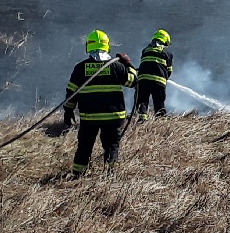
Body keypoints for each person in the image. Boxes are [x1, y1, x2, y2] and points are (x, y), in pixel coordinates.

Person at [63, 30, 135, 177]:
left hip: (90, 118)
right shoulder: (116, 66)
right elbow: (133, 82)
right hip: (113, 117)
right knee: (111, 146)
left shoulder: (80, 68)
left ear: (88, 46)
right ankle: (111, 176)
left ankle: (77, 175)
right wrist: (128, 64)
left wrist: (68, 111)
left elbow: (71, 93)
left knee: (84, 147)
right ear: (107, 46)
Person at [134, 29, 173, 122]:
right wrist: (165, 77)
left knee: (142, 100)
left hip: (143, 81)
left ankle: (141, 120)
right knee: (159, 103)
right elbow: (169, 71)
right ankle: (161, 120)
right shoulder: (167, 54)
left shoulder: (145, 51)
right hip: (159, 83)